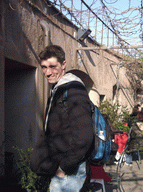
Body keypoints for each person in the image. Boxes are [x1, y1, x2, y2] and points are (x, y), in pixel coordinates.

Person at [30, 45, 94, 192]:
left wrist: (63, 168)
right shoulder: (59, 88)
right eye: (44, 67)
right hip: (62, 168)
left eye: (52, 66)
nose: (48, 72)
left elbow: (84, 137)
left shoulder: (73, 91)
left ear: (63, 64)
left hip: (69, 172)